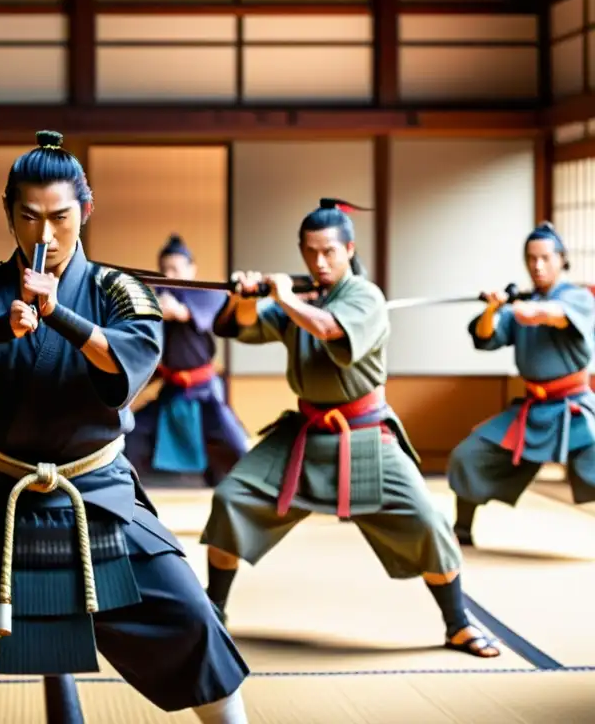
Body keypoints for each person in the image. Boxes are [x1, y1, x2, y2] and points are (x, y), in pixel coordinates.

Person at [0, 131, 250, 724]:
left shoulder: (119, 289)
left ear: (85, 213)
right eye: (29, 217)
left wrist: (57, 315)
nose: (45, 235)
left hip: (99, 491)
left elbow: (130, 357)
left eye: (61, 217)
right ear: (8, 213)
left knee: (194, 622)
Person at [200, 199, 500, 659]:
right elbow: (240, 327)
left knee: (427, 521)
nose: (319, 262)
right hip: (304, 432)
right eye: (310, 252)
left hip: (364, 434)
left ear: (348, 249)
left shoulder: (364, 296)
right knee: (231, 499)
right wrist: (243, 298)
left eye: (329, 252)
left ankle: (457, 623)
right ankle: (213, 611)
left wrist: (283, 298)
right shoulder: (303, 300)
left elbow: (328, 330)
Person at [448, 222, 595, 546]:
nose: (537, 266)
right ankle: (461, 529)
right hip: (533, 409)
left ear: (561, 259)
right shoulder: (519, 306)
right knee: (469, 455)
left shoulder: (577, 297)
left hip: (575, 407)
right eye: (531, 259)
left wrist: (523, 308)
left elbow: (554, 314)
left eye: (545, 258)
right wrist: (492, 309)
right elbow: (485, 336)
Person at [125, 234, 248, 486]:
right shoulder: (156, 297)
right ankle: (128, 491)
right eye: (164, 269)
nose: (169, 274)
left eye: (175, 268)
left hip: (205, 392)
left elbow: (179, 312)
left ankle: (251, 488)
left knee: (234, 441)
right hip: (172, 391)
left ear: (191, 270)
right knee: (132, 434)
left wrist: (171, 309)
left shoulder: (206, 294)